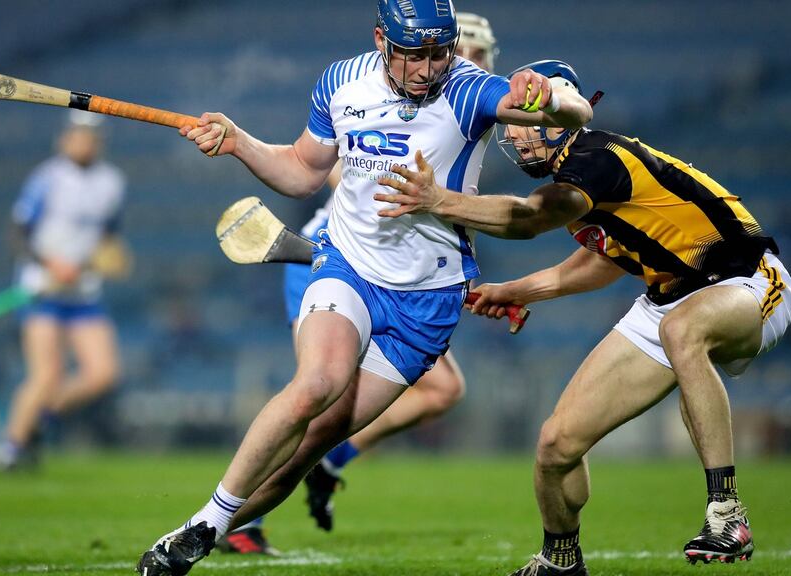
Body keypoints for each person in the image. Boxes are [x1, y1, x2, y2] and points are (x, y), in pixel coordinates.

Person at [136, 2, 591, 574]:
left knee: (313, 443)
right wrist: (239, 142)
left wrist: (549, 95)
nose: (428, 68)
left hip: (426, 302)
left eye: (438, 53)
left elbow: (573, 115)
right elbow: (303, 170)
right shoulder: (341, 82)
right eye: (413, 54)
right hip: (346, 265)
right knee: (315, 386)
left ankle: (219, 525)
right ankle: (202, 525)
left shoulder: (468, 90)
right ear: (381, 39)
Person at [373, 60, 791, 575]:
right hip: (667, 301)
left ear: (557, 119)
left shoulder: (597, 157)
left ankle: (726, 514)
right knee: (555, 446)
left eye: (526, 128)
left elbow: (530, 219)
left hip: (747, 279)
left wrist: (440, 201)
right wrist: (513, 290)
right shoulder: (581, 178)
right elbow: (598, 265)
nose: (518, 140)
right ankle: (561, 559)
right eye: (513, 131)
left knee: (682, 331)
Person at [219, 11, 500, 555]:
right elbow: (325, 168)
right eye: (466, 53)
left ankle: (310, 470)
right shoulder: (380, 95)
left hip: (395, 278)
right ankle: (240, 512)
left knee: (433, 390)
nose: (467, 65)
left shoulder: (461, 106)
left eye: (476, 56)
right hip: (335, 262)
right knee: (318, 397)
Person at [0, 111, 129, 471]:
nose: (84, 142)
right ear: (65, 138)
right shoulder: (47, 178)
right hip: (41, 290)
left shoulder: (112, 183)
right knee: (46, 374)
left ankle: (40, 418)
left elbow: (108, 238)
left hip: (83, 292)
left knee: (103, 373)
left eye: (91, 136)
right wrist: (51, 264)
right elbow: (17, 234)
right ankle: (11, 448)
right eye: (78, 135)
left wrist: (111, 257)